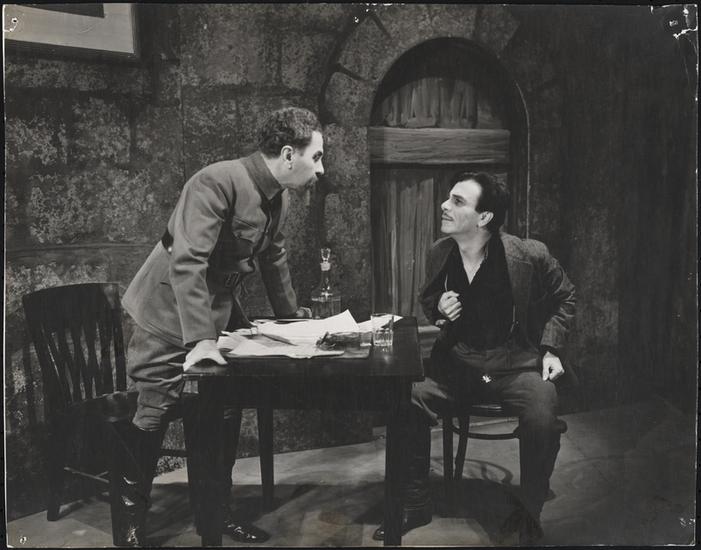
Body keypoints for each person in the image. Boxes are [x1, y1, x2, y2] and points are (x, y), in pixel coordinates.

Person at [116, 107, 324, 546]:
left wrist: (291, 319)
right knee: (153, 410)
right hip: (167, 312)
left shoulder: (279, 197)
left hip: (215, 311)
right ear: (290, 154)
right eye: (317, 157)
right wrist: (200, 341)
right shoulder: (215, 181)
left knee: (224, 410)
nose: (320, 169)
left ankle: (216, 514)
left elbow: (273, 256)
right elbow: (187, 261)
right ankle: (130, 523)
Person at [373, 172, 575, 544]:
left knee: (542, 417)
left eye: (457, 201)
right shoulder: (441, 252)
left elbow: (566, 298)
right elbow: (428, 298)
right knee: (406, 399)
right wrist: (439, 308)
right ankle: (414, 504)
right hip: (457, 365)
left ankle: (529, 511)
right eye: (448, 198)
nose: (444, 205)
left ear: (484, 217)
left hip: (514, 365)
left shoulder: (528, 254)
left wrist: (551, 348)